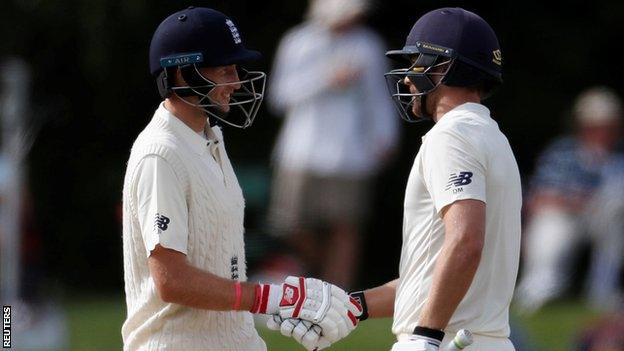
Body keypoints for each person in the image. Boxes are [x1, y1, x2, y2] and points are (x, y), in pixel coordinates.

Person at [273, 7, 521, 351]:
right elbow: (431, 277)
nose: (407, 77)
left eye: (417, 62)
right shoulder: (492, 137)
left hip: (443, 341)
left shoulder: (452, 136)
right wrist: (350, 307)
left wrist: (426, 336)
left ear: (444, 67)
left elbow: (465, 241)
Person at [121, 7, 361, 351]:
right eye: (224, 70)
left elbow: (221, 266)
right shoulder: (161, 154)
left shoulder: (209, 138)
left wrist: (276, 308)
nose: (235, 82)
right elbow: (171, 282)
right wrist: (270, 296)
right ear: (182, 74)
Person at [267, 0, 398, 289]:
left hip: (350, 153)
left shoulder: (368, 46)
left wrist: (385, 137)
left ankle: (341, 296)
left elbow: (378, 97)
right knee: (291, 226)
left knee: (347, 228)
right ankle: (317, 279)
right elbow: (279, 96)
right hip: (300, 152)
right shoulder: (297, 42)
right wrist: (326, 80)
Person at [515, 86, 624, 312]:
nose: (602, 133)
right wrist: (578, 201)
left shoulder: (618, 157)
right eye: (595, 127)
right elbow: (540, 197)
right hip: (563, 216)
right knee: (551, 226)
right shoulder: (561, 152)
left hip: (604, 221)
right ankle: (539, 289)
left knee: (616, 211)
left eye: (608, 127)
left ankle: (603, 292)